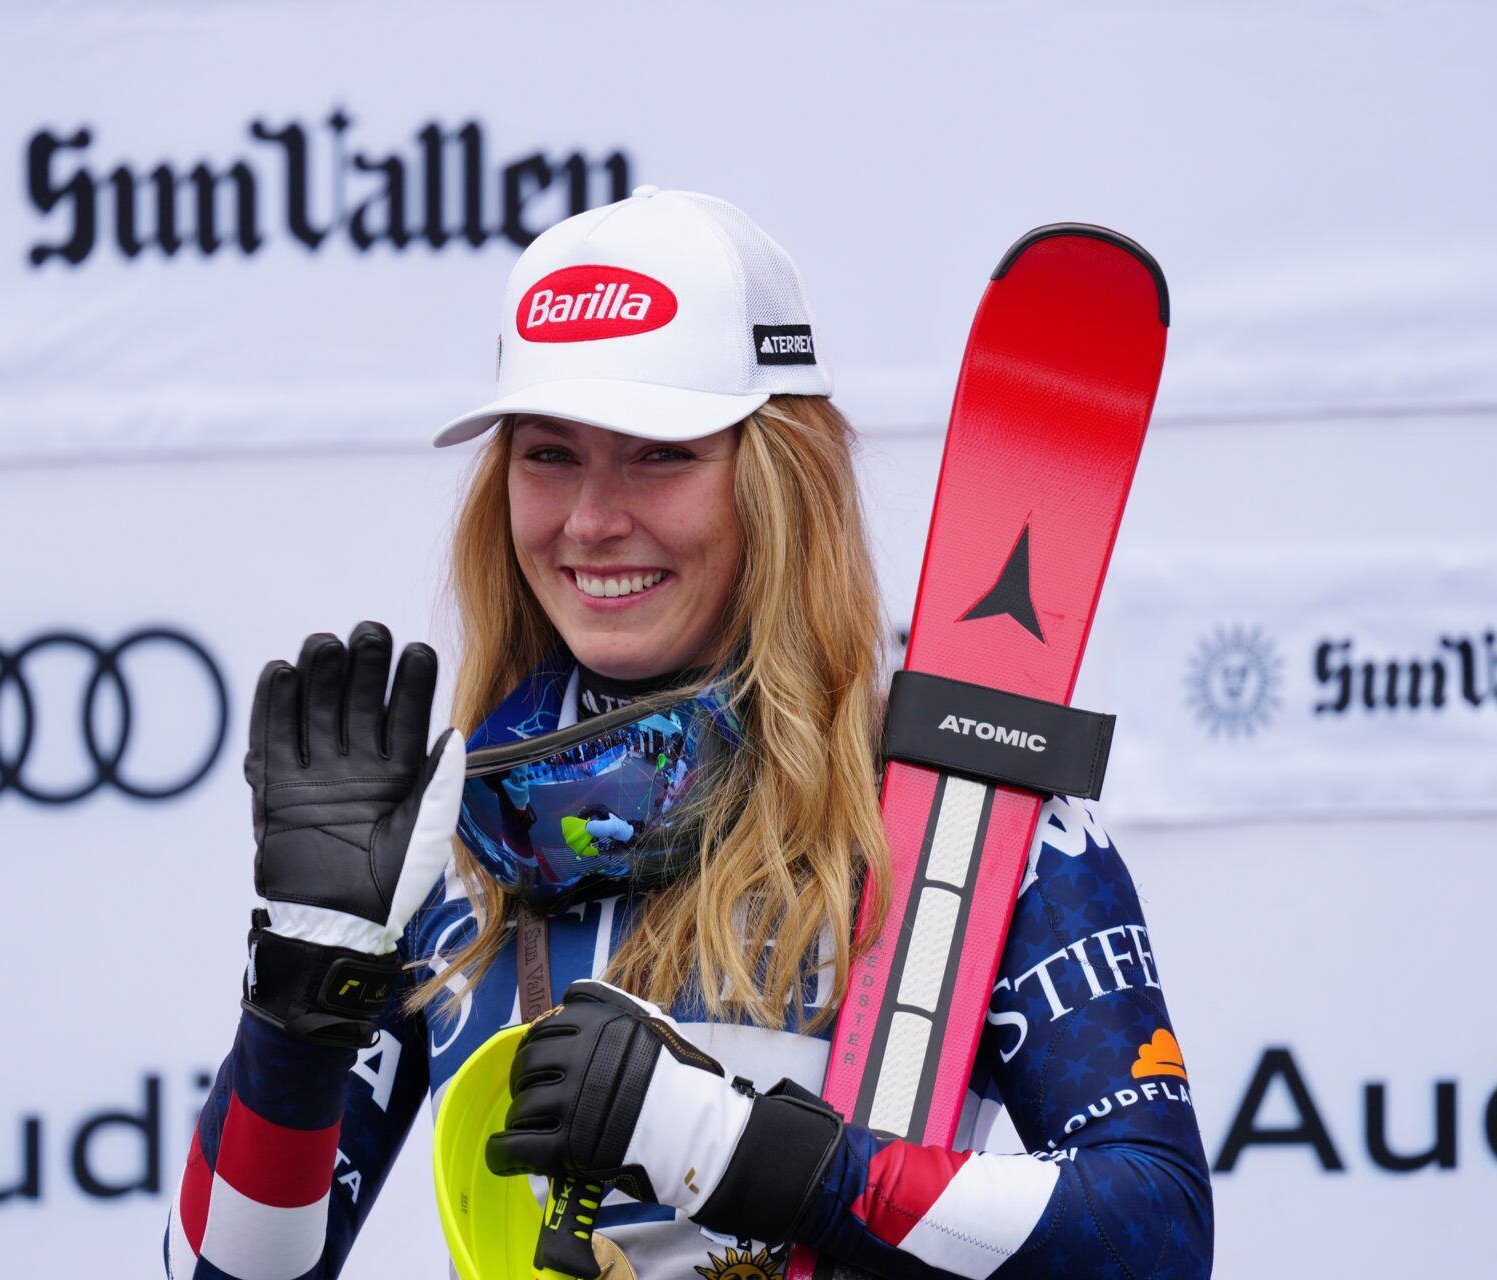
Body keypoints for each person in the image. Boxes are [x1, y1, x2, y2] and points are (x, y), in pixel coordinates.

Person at [165, 187, 1212, 1280]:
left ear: (779, 479)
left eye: (660, 454)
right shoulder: (448, 844)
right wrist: (300, 1001)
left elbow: (1157, 1234)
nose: (591, 519)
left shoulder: (963, 813)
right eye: (549, 454)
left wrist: (737, 1146)